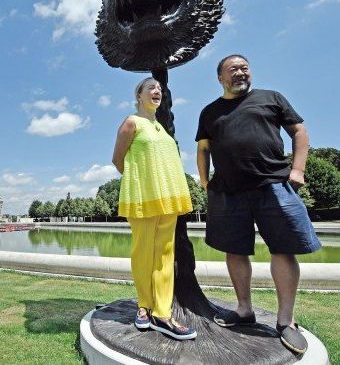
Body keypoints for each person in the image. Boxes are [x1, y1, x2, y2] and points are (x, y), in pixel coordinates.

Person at [196, 54, 321, 354]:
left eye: (244, 68)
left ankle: (285, 321)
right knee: (234, 251)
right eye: (233, 69)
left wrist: (298, 169)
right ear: (220, 78)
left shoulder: (271, 98)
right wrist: (204, 182)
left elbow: (299, 131)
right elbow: (203, 149)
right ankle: (243, 310)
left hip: (274, 185)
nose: (240, 73)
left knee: (284, 248)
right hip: (228, 192)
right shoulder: (209, 112)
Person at [112, 77, 196, 340]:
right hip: (144, 200)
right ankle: (143, 307)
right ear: (139, 95)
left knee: (165, 255)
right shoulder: (131, 123)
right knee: (143, 253)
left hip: (167, 200)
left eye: (160, 88)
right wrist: (140, 187)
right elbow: (118, 160)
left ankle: (162, 312)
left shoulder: (162, 129)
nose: (157, 90)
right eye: (151, 87)